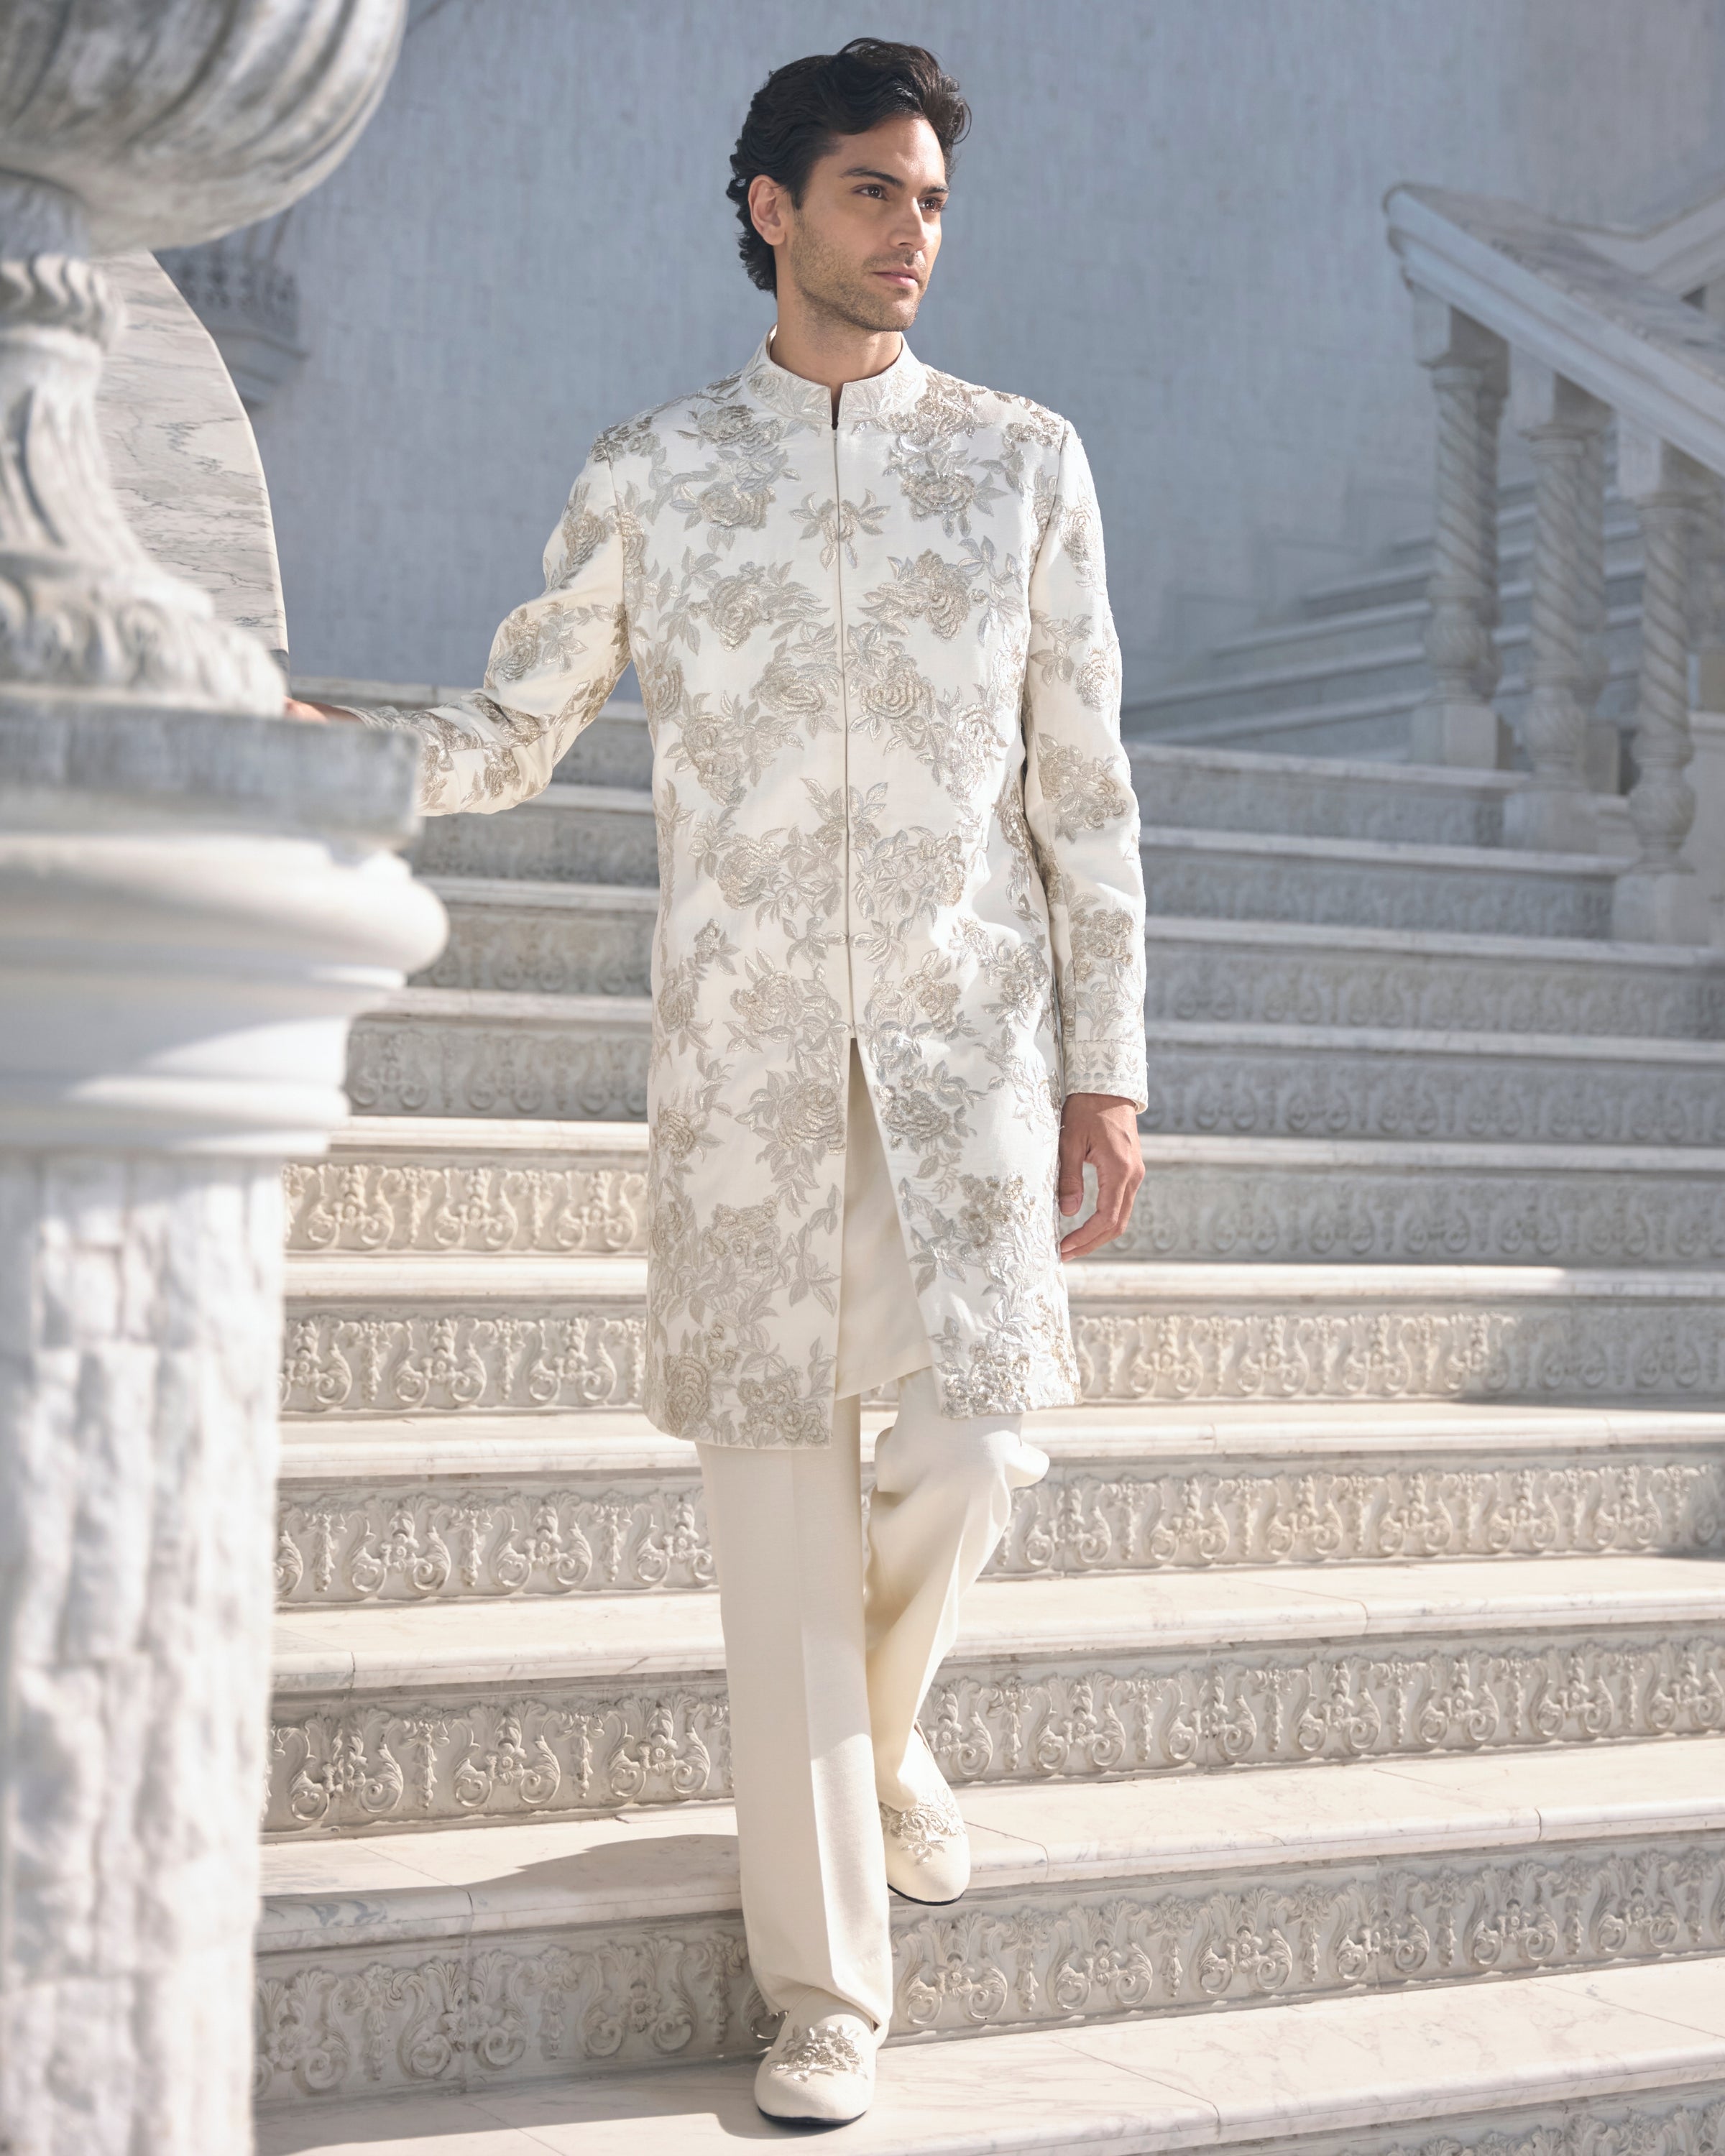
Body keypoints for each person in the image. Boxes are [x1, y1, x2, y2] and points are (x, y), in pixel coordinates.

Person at [289, 37, 1147, 2125]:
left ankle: (882, 1742)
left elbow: (1082, 788)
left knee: (975, 1449)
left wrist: (1106, 1067)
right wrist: (325, 752)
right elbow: (515, 727)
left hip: (963, 1051)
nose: (911, 234)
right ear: (771, 208)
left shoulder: (1024, 463)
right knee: (776, 1534)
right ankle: (825, 1995)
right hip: (747, 1070)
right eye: (871, 193)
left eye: (930, 201)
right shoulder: (656, 469)